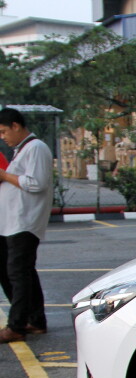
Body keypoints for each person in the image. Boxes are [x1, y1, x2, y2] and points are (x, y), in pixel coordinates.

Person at [0, 108, 54, 343]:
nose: (3, 136)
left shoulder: (36, 148)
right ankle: (36, 320)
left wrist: (4, 175)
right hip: (14, 222)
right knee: (24, 273)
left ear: (15, 125)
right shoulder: (22, 150)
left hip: (24, 222)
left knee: (17, 274)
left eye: (3, 131)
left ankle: (17, 325)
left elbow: (36, 183)